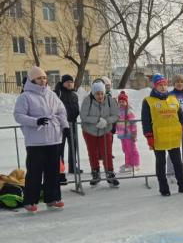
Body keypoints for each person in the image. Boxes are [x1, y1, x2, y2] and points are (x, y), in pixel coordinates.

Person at [13, 66, 68, 212]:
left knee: (53, 171)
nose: (43, 80)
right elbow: (18, 115)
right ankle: (30, 201)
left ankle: (53, 198)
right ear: (32, 80)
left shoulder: (52, 95)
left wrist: (65, 126)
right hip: (35, 141)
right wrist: (35, 121)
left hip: (54, 139)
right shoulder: (25, 96)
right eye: (39, 78)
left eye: (44, 77)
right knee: (34, 172)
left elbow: (61, 111)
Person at [142, 74, 183, 197]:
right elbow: (146, 121)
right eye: (160, 85)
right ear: (155, 86)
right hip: (158, 137)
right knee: (161, 163)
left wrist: (180, 126)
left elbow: (180, 115)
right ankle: (163, 187)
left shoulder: (172, 99)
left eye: (165, 84)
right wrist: (149, 136)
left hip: (173, 136)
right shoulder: (148, 101)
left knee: (177, 162)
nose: (163, 87)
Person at [80, 80, 120, 187]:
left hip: (105, 130)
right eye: (97, 93)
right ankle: (95, 173)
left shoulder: (110, 100)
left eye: (102, 93)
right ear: (93, 93)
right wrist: (97, 120)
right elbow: (83, 116)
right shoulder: (87, 101)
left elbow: (116, 115)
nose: (100, 96)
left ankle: (110, 173)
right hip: (89, 131)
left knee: (107, 152)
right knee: (93, 152)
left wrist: (106, 121)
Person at [54, 74, 80, 178]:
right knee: (60, 147)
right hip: (61, 125)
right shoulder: (58, 93)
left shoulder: (74, 95)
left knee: (73, 145)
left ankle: (73, 167)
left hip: (72, 123)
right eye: (67, 82)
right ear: (63, 83)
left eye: (71, 82)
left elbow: (76, 108)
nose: (69, 84)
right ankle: (60, 169)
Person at [115, 91, 140, 173]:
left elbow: (133, 123)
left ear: (126, 102)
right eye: (120, 102)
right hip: (122, 135)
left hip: (129, 134)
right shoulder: (118, 111)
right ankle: (128, 163)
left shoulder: (129, 111)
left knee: (131, 149)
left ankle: (135, 164)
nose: (121, 103)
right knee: (125, 149)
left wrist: (134, 133)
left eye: (123, 102)